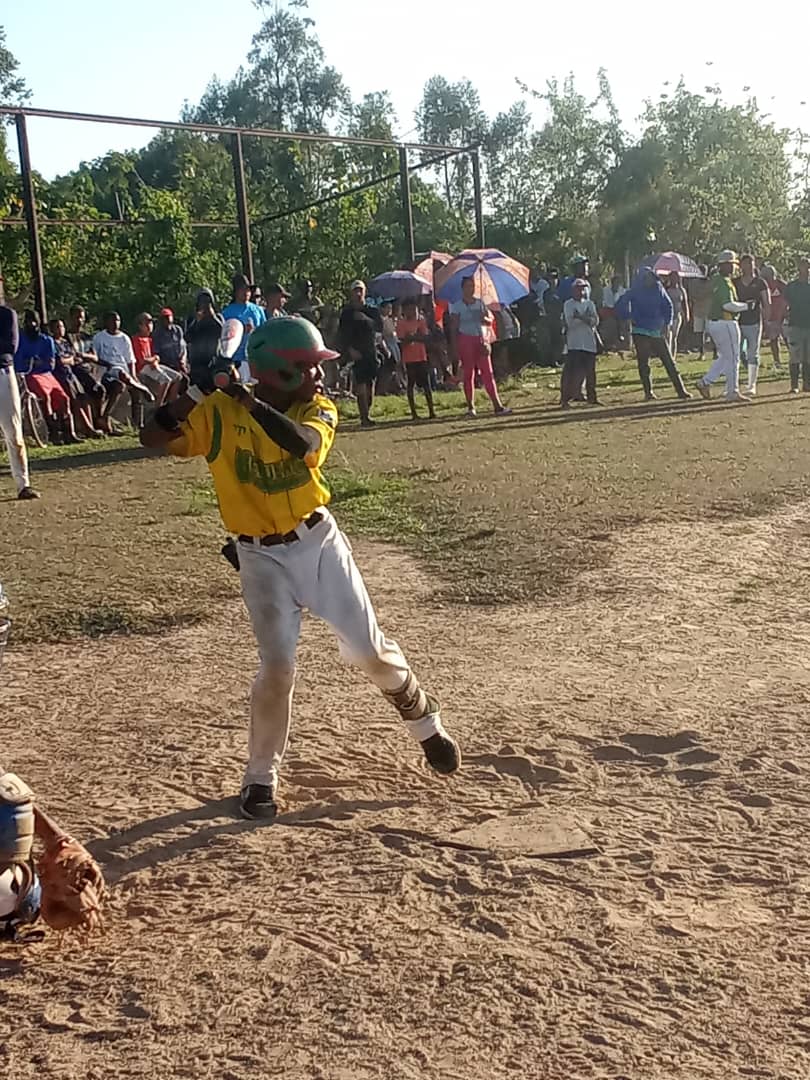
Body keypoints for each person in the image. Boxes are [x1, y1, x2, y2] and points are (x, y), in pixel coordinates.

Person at [139, 317, 460, 820]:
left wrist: (247, 400)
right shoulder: (218, 412)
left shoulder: (319, 408)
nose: (318, 376)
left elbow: (303, 447)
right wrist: (195, 396)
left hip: (316, 542)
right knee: (278, 667)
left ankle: (423, 720)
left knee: (370, 650)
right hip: (257, 556)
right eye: (308, 367)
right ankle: (260, 776)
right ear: (277, 371)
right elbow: (151, 438)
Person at [615, 271, 691, 401]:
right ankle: (648, 392)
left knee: (668, 361)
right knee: (644, 363)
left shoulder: (659, 289)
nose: (648, 280)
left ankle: (681, 390)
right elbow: (621, 303)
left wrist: (667, 323)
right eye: (646, 278)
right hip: (640, 330)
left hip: (656, 330)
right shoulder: (636, 289)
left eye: (650, 277)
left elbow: (668, 305)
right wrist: (628, 316)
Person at [14, 310, 82, 444]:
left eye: (34, 321)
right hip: (29, 374)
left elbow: (50, 363)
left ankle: (69, 432)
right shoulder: (20, 339)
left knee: (63, 398)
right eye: (28, 321)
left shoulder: (46, 340)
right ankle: (53, 432)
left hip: (46, 374)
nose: (31, 324)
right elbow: (19, 362)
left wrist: (35, 362)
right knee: (45, 397)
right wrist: (33, 362)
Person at [448, 276, 511, 419]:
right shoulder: (457, 306)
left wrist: (485, 319)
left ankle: (497, 405)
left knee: (487, 372)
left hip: (481, 338)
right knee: (468, 373)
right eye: (468, 286)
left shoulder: (480, 303)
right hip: (465, 339)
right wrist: (454, 346)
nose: (470, 289)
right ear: (463, 288)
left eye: (472, 286)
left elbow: (489, 321)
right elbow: (454, 327)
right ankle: (471, 406)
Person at [695, 251, 752, 403]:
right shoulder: (723, 282)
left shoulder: (717, 280)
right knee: (733, 357)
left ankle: (705, 382)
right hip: (725, 322)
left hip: (717, 323)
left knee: (726, 357)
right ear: (725, 265)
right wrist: (747, 306)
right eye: (733, 264)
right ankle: (732, 391)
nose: (735, 267)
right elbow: (728, 305)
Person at [0, 301, 38, 500]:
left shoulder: (6, 314)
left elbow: (10, 346)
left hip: (2, 373)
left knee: (13, 431)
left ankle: (23, 484)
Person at [92, 312, 155, 430]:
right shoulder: (99, 337)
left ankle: (137, 423)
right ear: (106, 322)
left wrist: (133, 374)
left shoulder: (124, 338)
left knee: (130, 386)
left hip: (124, 370)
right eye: (112, 321)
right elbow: (95, 357)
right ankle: (143, 389)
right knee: (122, 376)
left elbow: (131, 360)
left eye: (117, 320)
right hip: (107, 370)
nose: (115, 323)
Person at [337, 280, 383, 428]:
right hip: (356, 351)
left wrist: (365, 319)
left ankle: (367, 411)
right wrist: (349, 350)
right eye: (355, 291)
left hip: (370, 350)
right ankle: (364, 417)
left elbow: (379, 327)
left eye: (360, 290)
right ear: (351, 293)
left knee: (370, 384)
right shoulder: (347, 313)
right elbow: (342, 334)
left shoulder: (372, 311)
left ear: (364, 292)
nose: (358, 294)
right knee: (361, 384)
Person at [49, 318, 102, 438]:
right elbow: (59, 361)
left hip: (70, 374)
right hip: (60, 376)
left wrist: (71, 360)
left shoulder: (65, 342)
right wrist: (70, 360)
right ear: (52, 330)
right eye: (57, 327)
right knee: (75, 401)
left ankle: (90, 426)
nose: (61, 329)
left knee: (84, 397)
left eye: (62, 326)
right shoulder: (52, 343)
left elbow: (73, 356)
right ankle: (85, 428)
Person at [733, 255, 771, 395]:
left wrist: (767, 321)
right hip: (737, 322)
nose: (747, 266)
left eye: (750, 263)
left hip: (754, 322)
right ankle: (733, 384)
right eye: (744, 264)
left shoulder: (760, 283)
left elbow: (767, 303)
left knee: (752, 353)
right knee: (737, 353)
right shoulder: (735, 282)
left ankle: (751, 385)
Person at [65, 305, 106, 431]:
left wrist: (83, 356)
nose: (79, 320)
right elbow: (72, 357)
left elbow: (95, 357)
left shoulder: (86, 336)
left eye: (82, 318)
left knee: (109, 385)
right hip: (77, 370)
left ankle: (100, 418)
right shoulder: (67, 337)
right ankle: (97, 420)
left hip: (91, 368)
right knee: (98, 390)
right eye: (77, 317)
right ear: (71, 318)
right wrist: (83, 358)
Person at [561, 280, 600, 407]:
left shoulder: (590, 303)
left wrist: (580, 317)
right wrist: (586, 318)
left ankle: (592, 398)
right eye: (578, 288)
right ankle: (565, 399)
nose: (581, 291)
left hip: (589, 342)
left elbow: (595, 321)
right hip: (574, 343)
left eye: (583, 288)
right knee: (571, 371)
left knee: (590, 372)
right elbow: (570, 322)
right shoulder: (568, 304)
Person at [222, 273, 267, 382]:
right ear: (236, 292)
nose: (246, 292)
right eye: (243, 289)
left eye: (248, 289)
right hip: (237, 359)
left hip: (256, 358)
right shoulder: (227, 312)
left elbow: (265, 331)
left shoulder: (258, 310)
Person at [132, 313, 183, 406]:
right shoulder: (136, 339)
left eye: (151, 323)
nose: (150, 326)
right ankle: (158, 407)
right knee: (166, 379)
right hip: (142, 369)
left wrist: (155, 359)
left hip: (153, 365)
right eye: (146, 323)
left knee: (178, 377)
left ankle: (171, 404)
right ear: (140, 326)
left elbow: (155, 356)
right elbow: (142, 360)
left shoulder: (150, 340)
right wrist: (155, 359)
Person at [397, 298, 436, 421]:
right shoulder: (401, 323)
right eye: (408, 309)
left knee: (426, 384)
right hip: (409, 359)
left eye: (414, 309)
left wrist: (413, 337)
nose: (412, 311)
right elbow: (402, 341)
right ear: (404, 311)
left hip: (421, 356)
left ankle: (431, 410)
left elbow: (425, 338)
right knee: (411, 384)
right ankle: (413, 412)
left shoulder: (421, 321)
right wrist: (413, 337)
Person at [186, 289, 225, 389]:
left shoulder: (218, 317)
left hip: (213, 361)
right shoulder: (192, 318)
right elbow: (187, 337)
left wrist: (213, 317)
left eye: (207, 301)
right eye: (202, 301)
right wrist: (197, 322)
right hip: (197, 363)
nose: (205, 304)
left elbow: (223, 333)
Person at [784, 257, 810, 394]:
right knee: (795, 355)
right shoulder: (791, 287)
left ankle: (807, 384)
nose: (807, 269)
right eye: (805, 266)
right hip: (795, 324)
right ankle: (794, 385)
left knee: (808, 357)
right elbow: (785, 304)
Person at [761, 264, 787, 372]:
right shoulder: (763, 286)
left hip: (783, 316)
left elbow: (787, 297)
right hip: (771, 317)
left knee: (787, 339)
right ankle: (777, 361)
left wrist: (784, 311)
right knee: (773, 340)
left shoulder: (780, 284)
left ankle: (795, 360)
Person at [152, 308, 187, 380]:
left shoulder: (177, 330)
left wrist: (183, 360)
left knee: (187, 379)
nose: (166, 320)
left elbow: (183, 348)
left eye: (168, 317)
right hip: (166, 365)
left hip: (179, 363)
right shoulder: (157, 334)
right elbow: (157, 353)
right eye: (163, 318)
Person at [664, 271, 689, 359]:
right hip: (667, 316)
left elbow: (685, 303)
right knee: (667, 336)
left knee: (674, 336)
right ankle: (667, 355)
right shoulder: (666, 290)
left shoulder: (681, 290)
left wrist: (686, 315)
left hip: (677, 316)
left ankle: (673, 356)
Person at [690, 265, 712, 360]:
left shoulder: (711, 282)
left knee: (711, 332)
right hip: (698, 311)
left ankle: (715, 352)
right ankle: (701, 352)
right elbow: (692, 295)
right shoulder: (694, 283)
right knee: (699, 333)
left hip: (709, 310)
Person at [600, 275, 627, 352]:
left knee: (620, 315)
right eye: (615, 282)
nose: (617, 284)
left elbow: (622, 303)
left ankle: (620, 333)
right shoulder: (605, 290)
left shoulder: (623, 291)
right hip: (607, 309)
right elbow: (604, 302)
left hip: (618, 310)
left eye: (618, 282)